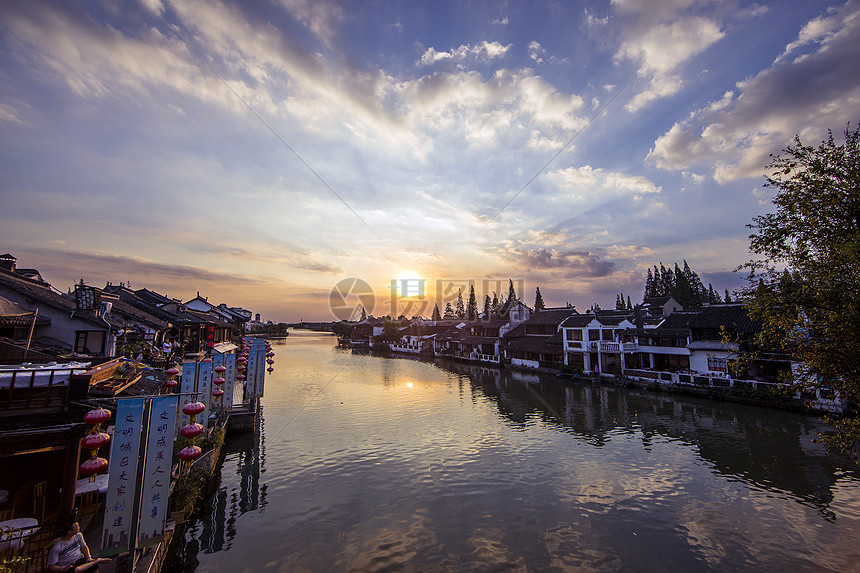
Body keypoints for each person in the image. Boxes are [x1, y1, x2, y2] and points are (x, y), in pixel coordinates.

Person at [46, 521, 111, 572]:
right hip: (68, 566)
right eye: (77, 527)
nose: (79, 528)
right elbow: (51, 567)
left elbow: (84, 547)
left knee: (93, 567)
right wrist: (63, 569)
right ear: (70, 532)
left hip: (79, 560)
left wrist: (88, 557)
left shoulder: (78, 535)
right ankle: (97, 560)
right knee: (75, 570)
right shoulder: (57, 547)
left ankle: (95, 561)